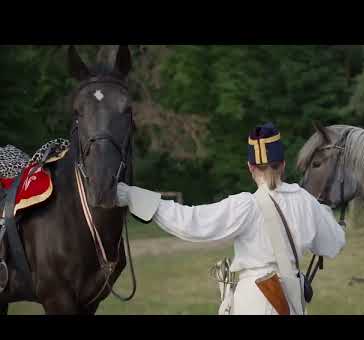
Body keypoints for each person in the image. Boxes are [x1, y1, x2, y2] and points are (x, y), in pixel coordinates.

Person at [116, 122, 346, 315]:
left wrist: (131, 195)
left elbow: (191, 222)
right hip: (292, 302)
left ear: (250, 167)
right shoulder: (305, 201)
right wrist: (325, 214)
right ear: (283, 165)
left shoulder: (246, 206)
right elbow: (334, 243)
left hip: (255, 301)